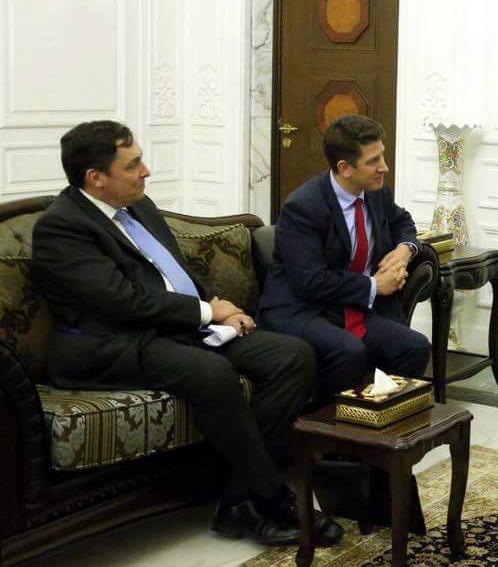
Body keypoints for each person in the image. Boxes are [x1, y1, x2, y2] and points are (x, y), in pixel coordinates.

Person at [31, 121, 343, 546]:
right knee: (211, 373)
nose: (146, 171)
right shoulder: (62, 228)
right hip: (115, 343)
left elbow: (173, 270)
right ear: (96, 177)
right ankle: (272, 497)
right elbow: (121, 302)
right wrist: (206, 312)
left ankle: (238, 500)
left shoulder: (139, 206)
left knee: (292, 356)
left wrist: (217, 306)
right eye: (133, 164)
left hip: (175, 328)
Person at [259, 114, 431, 398]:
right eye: (373, 161)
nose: (384, 167)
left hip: (350, 307)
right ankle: (327, 422)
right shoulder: (303, 207)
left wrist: (405, 250)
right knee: (349, 351)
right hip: (304, 309)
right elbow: (311, 281)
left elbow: (402, 222)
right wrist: (375, 286)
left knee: (414, 346)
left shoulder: (376, 191)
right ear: (345, 168)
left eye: (382, 155)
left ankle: (380, 418)